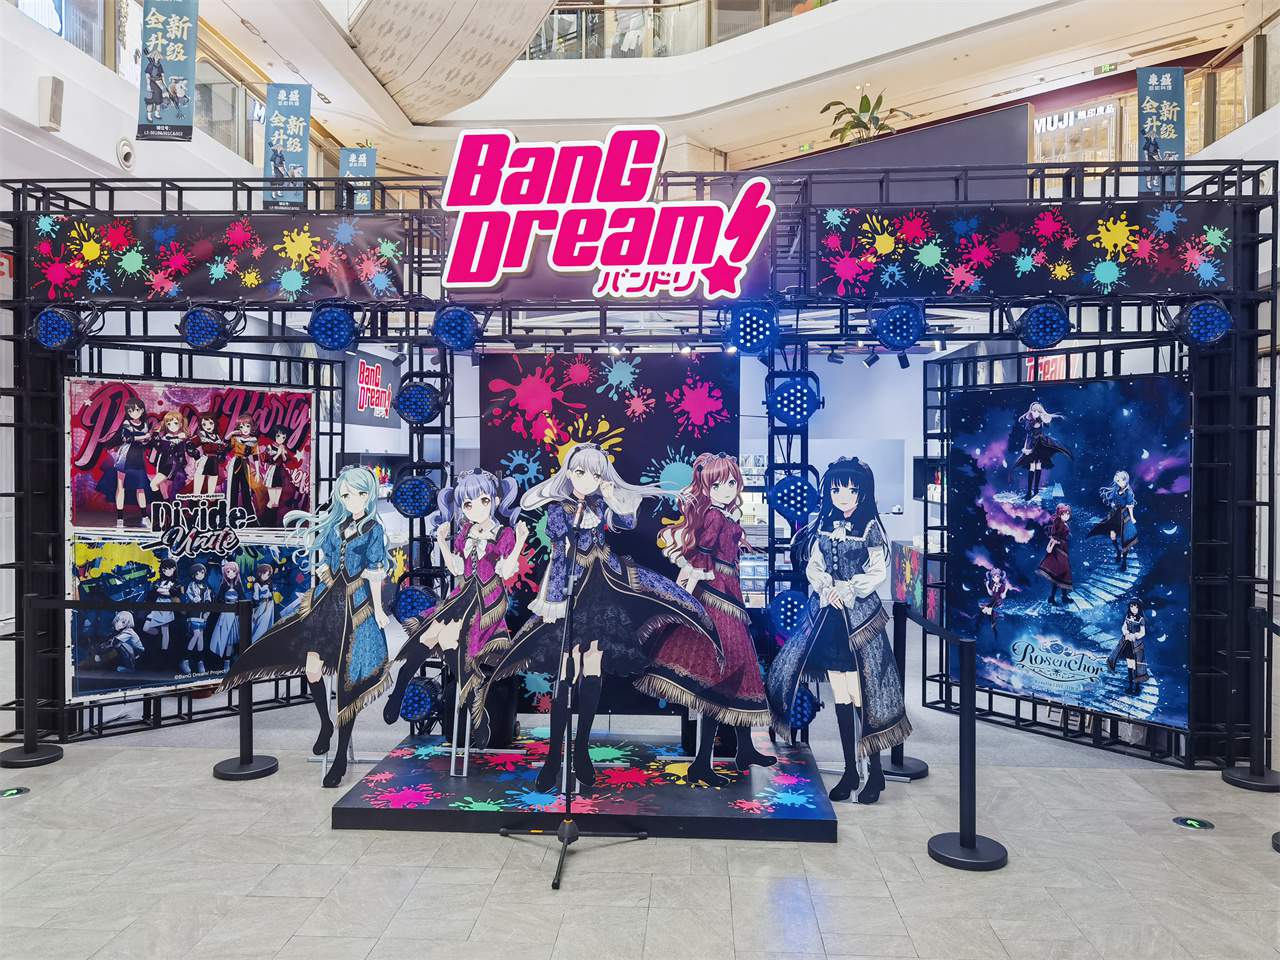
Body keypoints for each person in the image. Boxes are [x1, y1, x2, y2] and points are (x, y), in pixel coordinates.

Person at [477, 443, 719, 793]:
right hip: (566, 594)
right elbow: (557, 536)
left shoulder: (600, 503)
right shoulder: (559, 507)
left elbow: (627, 522)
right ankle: (553, 757)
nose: (587, 479)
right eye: (580, 472)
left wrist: (615, 497)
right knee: (566, 673)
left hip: (602, 592)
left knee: (592, 667)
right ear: (569, 473)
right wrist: (569, 500)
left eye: (595, 473)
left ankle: (581, 751)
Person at [219, 466, 391, 788]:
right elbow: (326, 561)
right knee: (312, 669)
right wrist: (325, 577)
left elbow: (375, 572)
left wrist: (379, 610)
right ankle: (325, 724)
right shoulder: (336, 526)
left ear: (369, 495)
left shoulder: (373, 529)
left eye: (359, 494)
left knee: (348, 683)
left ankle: (340, 757)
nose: (353, 500)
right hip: (326, 604)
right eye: (346, 494)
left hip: (356, 607)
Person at [766, 457, 911, 804]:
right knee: (842, 695)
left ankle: (874, 772)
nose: (843, 496)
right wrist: (825, 585)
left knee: (864, 696)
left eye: (850, 490)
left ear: (863, 492)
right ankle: (849, 771)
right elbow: (814, 564)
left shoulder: (871, 527)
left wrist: (848, 588)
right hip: (829, 615)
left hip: (859, 618)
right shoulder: (824, 523)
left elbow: (878, 571)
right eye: (836, 490)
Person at [642, 453, 775, 785]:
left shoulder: (723, 513)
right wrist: (697, 574)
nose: (726, 489)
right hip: (717, 597)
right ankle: (702, 762)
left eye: (731, 482)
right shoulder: (715, 516)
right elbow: (702, 552)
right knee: (722, 675)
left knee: (739, 669)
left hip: (728, 595)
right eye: (718, 485)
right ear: (707, 487)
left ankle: (745, 749)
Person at [383, 469, 527, 739]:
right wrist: (441, 541)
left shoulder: (504, 533)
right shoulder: (465, 532)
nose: (476, 509)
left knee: (446, 637)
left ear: (495, 500)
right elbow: (457, 569)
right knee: (430, 635)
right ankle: (402, 690)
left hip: (488, 597)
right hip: (462, 594)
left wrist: (519, 542)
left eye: (484, 501)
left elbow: (506, 572)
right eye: (468, 504)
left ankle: (475, 714)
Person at [100, 397, 152, 528]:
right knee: (121, 487)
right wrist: (143, 437)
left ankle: (144, 516)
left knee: (140, 488)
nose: (134, 413)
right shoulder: (126, 423)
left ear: (142, 410)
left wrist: (147, 440)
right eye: (130, 411)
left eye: (137, 410)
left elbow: (145, 443)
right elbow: (126, 438)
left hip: (138, 458)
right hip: (125, 458)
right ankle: (120, 519)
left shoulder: (145, 425)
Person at [1014, 401, 1070, 501]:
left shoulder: (1040, 419)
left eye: (1038, 411)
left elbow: (1047, 425)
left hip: (1040, 443)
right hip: (1031, 445)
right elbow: (1028, 429)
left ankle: (1035, 490)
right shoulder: (1028, 418)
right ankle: (1029, 491)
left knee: (1038, 465)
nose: (1036, 412)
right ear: (1031, 410)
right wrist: (1035, 420)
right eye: (1034, 410)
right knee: (1032, 466)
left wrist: (1043, 419)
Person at [1090, 470, 1138, 571]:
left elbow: (1130, 506)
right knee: (1113, 535)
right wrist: (1113, 504)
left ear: (1125, 481)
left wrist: (1132, 517)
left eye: (1120, 480)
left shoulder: (1128, 492)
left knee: (1125, 540)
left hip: (1123, 517)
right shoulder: (1117, 490)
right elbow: (1115, 501)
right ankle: (1118, 552)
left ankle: (1124, 562)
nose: (1118, 482)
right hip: (1114, 515)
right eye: (1117, 480)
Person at [1107, 600, 1149, 694]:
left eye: (1136, 607)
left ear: (1139, 608)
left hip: (1136, 645)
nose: (1133, 609)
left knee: (1136, 666)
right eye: (1131, 607)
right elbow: (1124, 627)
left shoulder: (1141, 619)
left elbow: (1143, 633)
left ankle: (1137, 687)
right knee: (1129, 665)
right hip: (1127, 644)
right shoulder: (1128, 616)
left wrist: (1135, 636)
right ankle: (1130, 686)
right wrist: (1126, 633)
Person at [208, 560, 243, 670]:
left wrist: (237, 605)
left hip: (235, 615)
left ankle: (230, 662)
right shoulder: (223, 585)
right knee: (225, 638)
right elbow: (219, 599)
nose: (230, 573)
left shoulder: (238, 585)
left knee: (232, 641)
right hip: (226, 615)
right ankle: (224, 663)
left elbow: (243, 598)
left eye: (233, 571)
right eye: (228, 571)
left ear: (236, 572)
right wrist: (226, 603)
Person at [259, 426, 297, 527]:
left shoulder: (282, 447)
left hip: (280, 473)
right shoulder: (270, 447)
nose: (281, 439)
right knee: (272, 501)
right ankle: (264, 521)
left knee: (276, 502)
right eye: (278, 436)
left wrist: (282, 453)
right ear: (274, 435)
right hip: (272, 472)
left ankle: (272, 522)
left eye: (283, 437)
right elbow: (268, 460)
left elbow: (285, 460)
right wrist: (278, 453)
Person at [225, 416, 259, 521]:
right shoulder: (235, 439)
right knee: (232, 489)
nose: (245, 429)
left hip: (246, 465)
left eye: (247, 426)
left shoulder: (253, 440)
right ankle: (231, 515)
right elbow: (225, 445)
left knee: (246, 490)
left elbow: (256, 457)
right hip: (235, 463)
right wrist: (231, 434)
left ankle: (250, 516)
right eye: (242, 426)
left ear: (252, 427)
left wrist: (258, 472)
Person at [149, 411, 190, 500]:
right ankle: (165, 504)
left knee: (154, 484)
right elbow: (157, 445)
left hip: (172, 465)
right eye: (169, 424)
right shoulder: (166, 437)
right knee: (163, 488)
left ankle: (161, 505)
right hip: (163, 464)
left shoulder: (181, 438)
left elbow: (177, 452)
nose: (172, 426)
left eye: (175, 423)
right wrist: (157, 432)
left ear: (181, 424)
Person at [141, 558, 179, 652]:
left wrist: (162, 591)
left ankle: (164, 651)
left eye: (168, 569)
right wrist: (163, 590)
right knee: (145, 628)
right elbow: (155, 589)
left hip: (166, 606)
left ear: (174, 569)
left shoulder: (175, 582)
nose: (166, 571)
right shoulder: (160, 580)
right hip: (157, 605)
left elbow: (171, 593)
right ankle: (157, 635)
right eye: (164, 569)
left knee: (165, 630)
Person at [1039, 503, 1074, 605]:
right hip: (1058, 550)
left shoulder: (1063, 523)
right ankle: (1055, 597)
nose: (1066, 516)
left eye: (1068, 514)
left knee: (1063, 573)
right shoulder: (1058, 524)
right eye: (1064, 514)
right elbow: (1054, 536)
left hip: (1063, 550)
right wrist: (1054, 543)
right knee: (1060, 573)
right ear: (1060, 514)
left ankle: (1062, 596)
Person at [181, 562, 211, 674]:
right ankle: (185, 660)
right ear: (193, 574)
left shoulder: (205, 586)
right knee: (196, 634)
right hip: (194, 612)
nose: (200, 574)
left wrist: (207, 610)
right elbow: (192, 597)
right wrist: (199, 601)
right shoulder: (191, 585)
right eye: (198, 573)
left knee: (200, 637)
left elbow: (208, 598)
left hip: (203, 614)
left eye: (202, 572)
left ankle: (200, 661)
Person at [191, 414, 225, 496]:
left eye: (210, 423)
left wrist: (221, 455)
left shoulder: (217, 436)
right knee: (197, 490)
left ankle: (210, 499)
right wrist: (197, 457)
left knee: (211, 490)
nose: (208, 426)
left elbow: (222, 449)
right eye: (204, 424)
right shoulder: (201, 435)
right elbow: (190, 445)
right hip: (205, 459)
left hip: (214, 462)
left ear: (214, 423)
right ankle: (195, 499)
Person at [979, 567, 1010, 640]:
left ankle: (995, 627)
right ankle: (992, 628)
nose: (994, 578)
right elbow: (990, 593)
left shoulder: (1001, 586)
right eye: (993, 577)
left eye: (997, 576)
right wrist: (987, 586)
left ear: (1000, 577)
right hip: (992, 600)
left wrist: (1006, 589)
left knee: (989, 610)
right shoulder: (992, 584)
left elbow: (1003, 596)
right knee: (986, 612)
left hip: (998, 601)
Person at [249, 562, 276, 644]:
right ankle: (256, 641)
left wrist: (270, 595)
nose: (266, 576)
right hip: (261, 605)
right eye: (264, 574)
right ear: (260, 573)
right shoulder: (256, 584)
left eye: (268, 575)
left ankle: (265, 641)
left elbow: (271, 593)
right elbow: (256, 597)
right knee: (260, 623)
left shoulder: (269, 582)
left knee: (268, 623)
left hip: (269, 604)